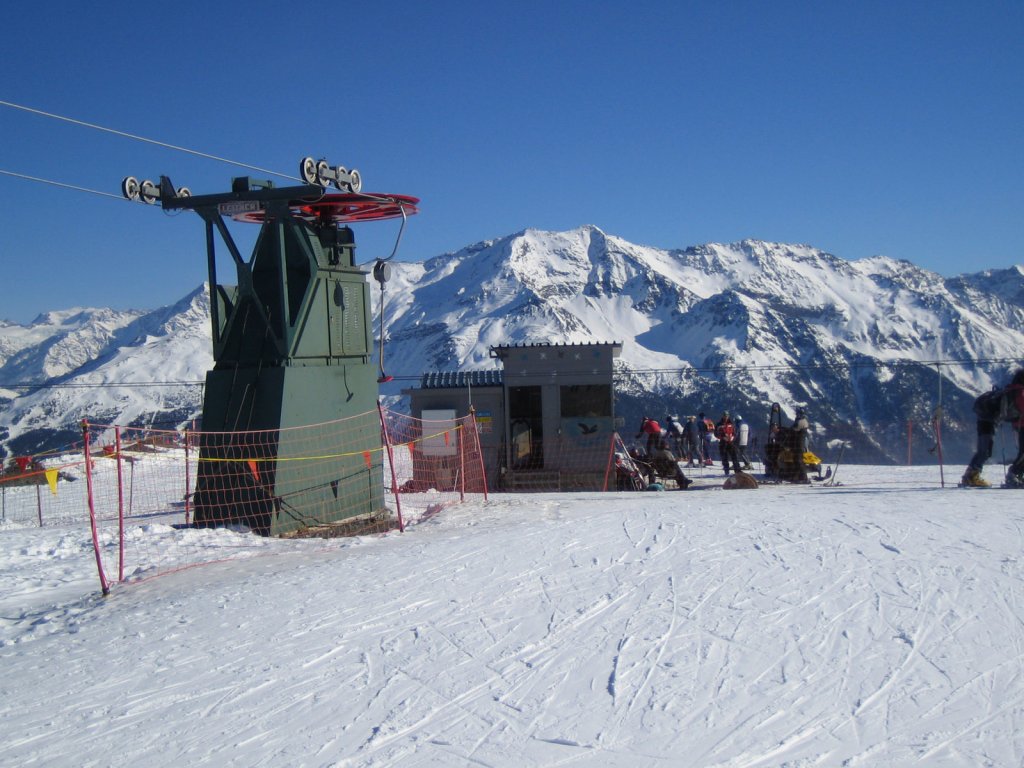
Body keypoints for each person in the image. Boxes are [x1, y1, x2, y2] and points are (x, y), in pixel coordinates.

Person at [1003, 369, 1024, 488]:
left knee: (1022, 452)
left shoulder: (1012, 389)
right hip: (1022, 424)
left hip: (1017, 425)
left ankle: (1018, 474)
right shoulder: (1020, 391)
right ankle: (1014, 473)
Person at [792, 407, 810, 483]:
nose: (797, 414)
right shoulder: (803, 420)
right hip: (800, 443)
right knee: (797, 460)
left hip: (799, 444)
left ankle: (803, 478)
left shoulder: (801, 421)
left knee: (799, 461)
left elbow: (795, 429)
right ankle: (799, 477)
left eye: (797, 413)